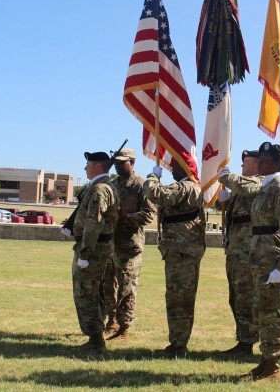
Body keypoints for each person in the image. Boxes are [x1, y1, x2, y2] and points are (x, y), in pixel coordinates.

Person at [236, 142, 280, 382]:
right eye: (258, 159)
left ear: (277, 163)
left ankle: (274, 367)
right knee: (262, 311)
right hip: (261, 259)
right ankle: (265, 362)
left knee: (275, 313)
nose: (258, 163)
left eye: (263, 160)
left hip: (273, 261)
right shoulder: (265, 187)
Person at [143, 160, 206, 358]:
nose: (171, 169)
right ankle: (177, 342)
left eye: (175, 166)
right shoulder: (187, 187)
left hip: (183, 252)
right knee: (175, 298)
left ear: (186, 169)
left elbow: (156, 194)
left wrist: (153, 177)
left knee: (181, 299)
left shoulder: (188, 187)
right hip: (178, 250)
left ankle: (179, 345)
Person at [69, 151, 119, 354]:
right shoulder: (105, 186)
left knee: (86, 292)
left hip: (94, 249)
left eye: (88, 164)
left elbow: (94, 223)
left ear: (98, 166)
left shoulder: (100, 189)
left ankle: (96, 339)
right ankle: (95, 337)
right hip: (97, 248)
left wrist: (84, 254)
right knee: (91, 291)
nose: (85, 168)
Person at [103, 148, 156, 340]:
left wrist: (126, 217)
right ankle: (111, 320)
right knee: (108, 284)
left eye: (122, 162)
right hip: (110, 243)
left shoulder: (141, 185)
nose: (118, 165)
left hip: (129, 244)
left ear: (132, 163)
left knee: (127, 287)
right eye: (115, 162)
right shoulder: (111, 184)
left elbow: (149, 214)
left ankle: (124, 326)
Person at [217, 150, 262, 356]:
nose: (242, 166)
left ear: (257, 165)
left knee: (247, 296)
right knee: (235, 296)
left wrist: (226, 176)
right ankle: (242, 338)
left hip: (249, 251)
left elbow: (248, 188)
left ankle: (248, 341)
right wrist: (223, 200)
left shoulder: (260, 182)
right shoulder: (241, 185)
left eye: (246, 162)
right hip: (235, 250)